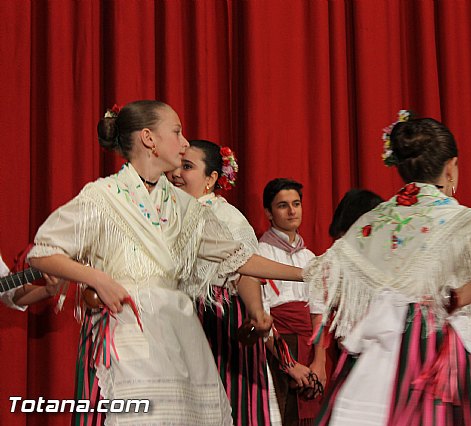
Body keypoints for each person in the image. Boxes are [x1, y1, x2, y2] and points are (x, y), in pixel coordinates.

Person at [27, 100, 304, 425]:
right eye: (176, 132)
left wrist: (308, 272)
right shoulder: (103, 197)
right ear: (149, 139)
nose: (184, 142)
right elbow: (43, 251)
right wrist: (96, 278)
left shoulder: (183, 206)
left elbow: (239, 257)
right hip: (127, 342)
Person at [305, 113, 471, 425]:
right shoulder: (458, 218)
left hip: (382, 349)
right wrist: (462, 295)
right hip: (433, 346)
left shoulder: (376, 219)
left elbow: (324, 270)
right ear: (450, 167)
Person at [168, 139, 274, 426]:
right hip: (178, 326)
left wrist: (255, 311)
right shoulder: (166, 214)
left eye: (187, 166)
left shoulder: (228, 218)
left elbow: (246, 270)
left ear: (211, 178)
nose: (176, 172)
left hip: (219, 325)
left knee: (228, 408)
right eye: (176, 165)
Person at [259, 178, 325, 426]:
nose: (292, 211)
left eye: (296, 204)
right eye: (283, 205)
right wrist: (289, 364)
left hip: (309, 346)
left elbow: (318, 312)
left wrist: (319, 362)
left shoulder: (310, 257)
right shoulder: (260, 253)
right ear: (268, 212)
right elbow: (261, 313)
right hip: (276, 347)